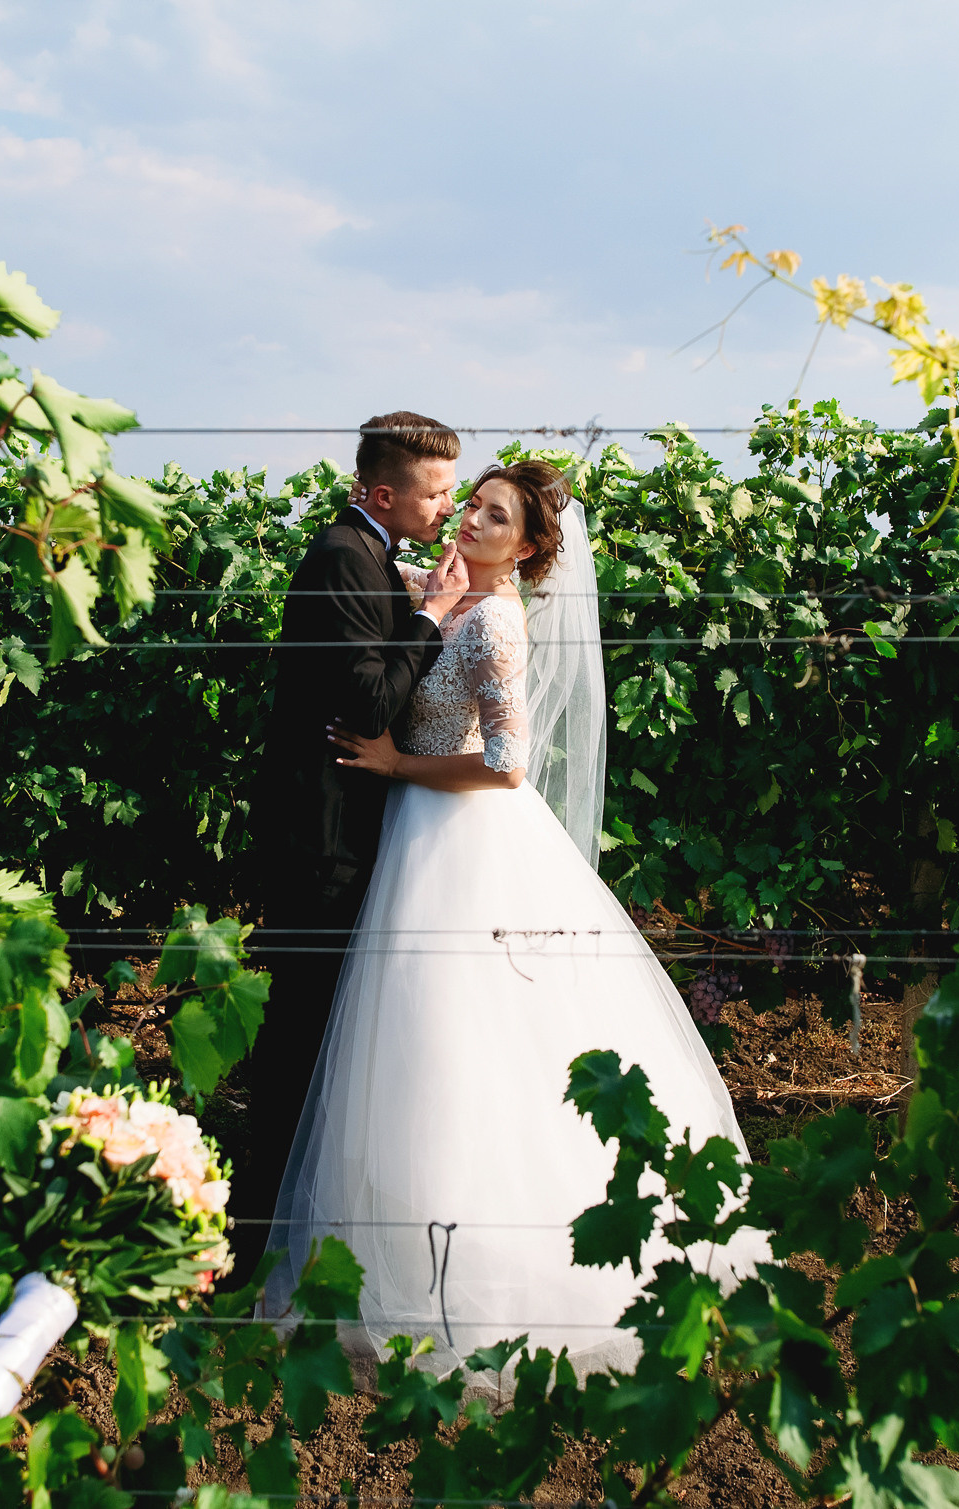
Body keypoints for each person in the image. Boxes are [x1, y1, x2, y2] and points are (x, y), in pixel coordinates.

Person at [263, 458, 769, 1378]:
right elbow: (389, 615)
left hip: (462, 834)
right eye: (471, 506)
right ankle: (386, 1239)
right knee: (410, 1049)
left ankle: (483, 1273)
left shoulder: (496, 623)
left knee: (464, 1047)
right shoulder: (448, 593)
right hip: (412, 839)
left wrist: (394, 765)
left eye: (494, 518)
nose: (470, 522)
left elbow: (505, 763)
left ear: (531, 546)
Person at [233, 412, 471, 1279]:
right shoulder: (341, 555)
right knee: (299, 1036)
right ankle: (256, 1240)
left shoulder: (366, 557)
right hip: (320, 842)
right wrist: (436, 614)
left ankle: (291, 1223)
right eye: (436, 491)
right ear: (380, 495)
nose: (446, 507)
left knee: (319, 1030)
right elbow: (365, 702)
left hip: (343, 833)